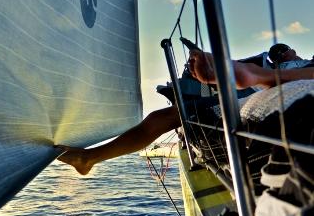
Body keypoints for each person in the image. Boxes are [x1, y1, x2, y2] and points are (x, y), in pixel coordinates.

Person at [55, 49, 314, 175]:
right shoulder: (300, 63)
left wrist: (262, 75)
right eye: (277, 52)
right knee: (164, 116)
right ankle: (89, 158)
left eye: (283, 51)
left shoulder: (303, 61)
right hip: (263, 91)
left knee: (167, 117)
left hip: (267, 92)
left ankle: (90, 158)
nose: (282, 52)